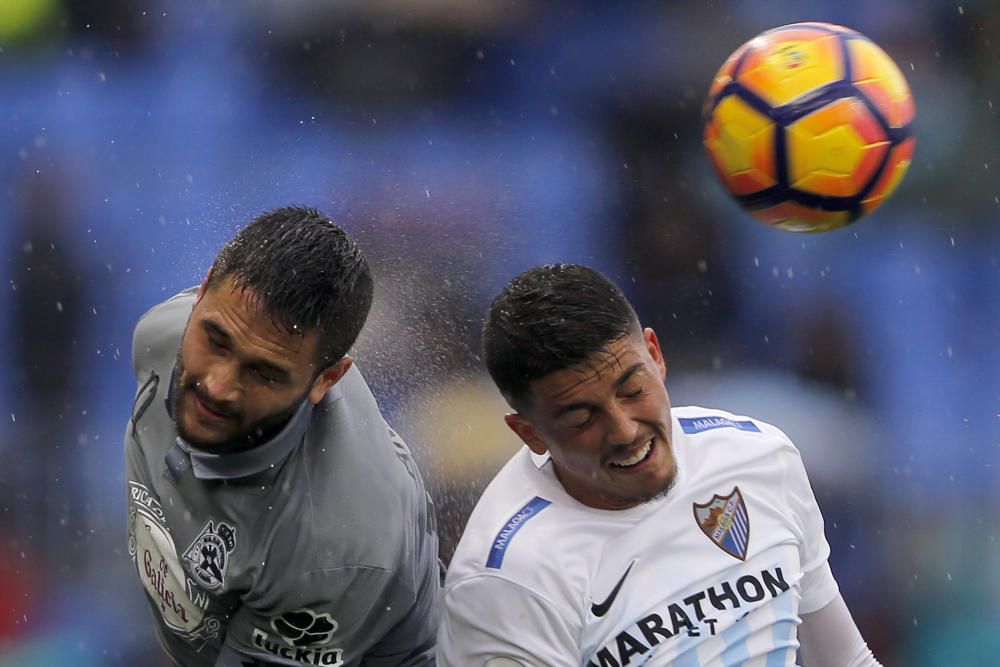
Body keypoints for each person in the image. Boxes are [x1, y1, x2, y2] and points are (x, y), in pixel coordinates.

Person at [438, 263, 881, 666]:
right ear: (529, 432)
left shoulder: (758, 456)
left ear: (655, 353)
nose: (625, 430)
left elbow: (843, 659)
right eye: (582, 418)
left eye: (633, 390)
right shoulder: (508, 580)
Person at [125, 206, 440, 666]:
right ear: (203, 290)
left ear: (325, 380)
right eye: (215, 340)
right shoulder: (160, 333)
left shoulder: (333, 543)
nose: (217, 385)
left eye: (263, 373)